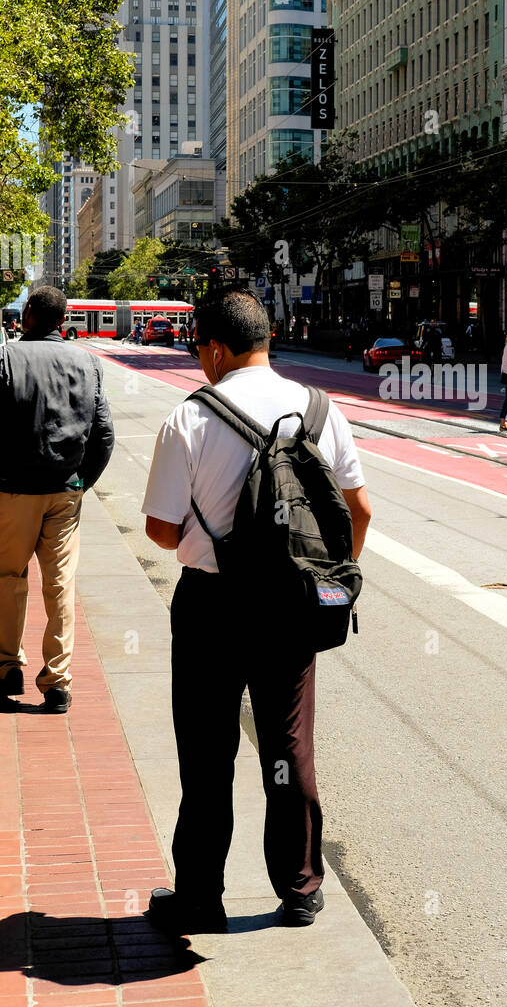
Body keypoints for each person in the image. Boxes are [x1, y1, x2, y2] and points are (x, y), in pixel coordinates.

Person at [141, 291, 372, 935]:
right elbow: (359, 514)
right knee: (288, 745)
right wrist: (324, 579)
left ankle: (199, 898)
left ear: (215, 347)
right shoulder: (321, 410)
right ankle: (299, 889)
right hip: (292, 609)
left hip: (212, 608)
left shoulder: (188, 418)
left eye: (199, 349)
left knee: (208, 752)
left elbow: (161, 530)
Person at [0, 286, 115, 712]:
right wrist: (83, 481)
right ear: (63, 320)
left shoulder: (6, 357)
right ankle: (58, 682)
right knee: (60, 584)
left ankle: (6, 668)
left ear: (27, 314)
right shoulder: (86, 361)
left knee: (8, 579)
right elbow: (104, 433)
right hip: (65, 492)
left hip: (13, 491)